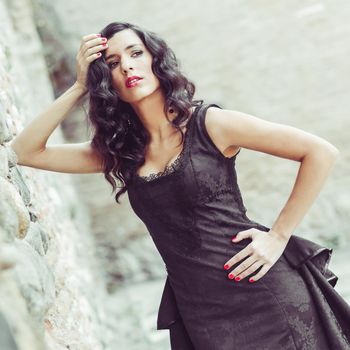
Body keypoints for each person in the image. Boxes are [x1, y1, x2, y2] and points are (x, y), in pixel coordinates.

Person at [9, 21, 350, 349]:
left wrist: (278, 236)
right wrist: (80, 85)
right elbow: (25, 152)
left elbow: (320, 152)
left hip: (264, 292)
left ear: (156, 60)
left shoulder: (211, 124)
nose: (127, 67)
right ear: (106, 80)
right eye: (113, 63)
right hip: (201, 313)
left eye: (135, 53)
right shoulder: (120, 154)